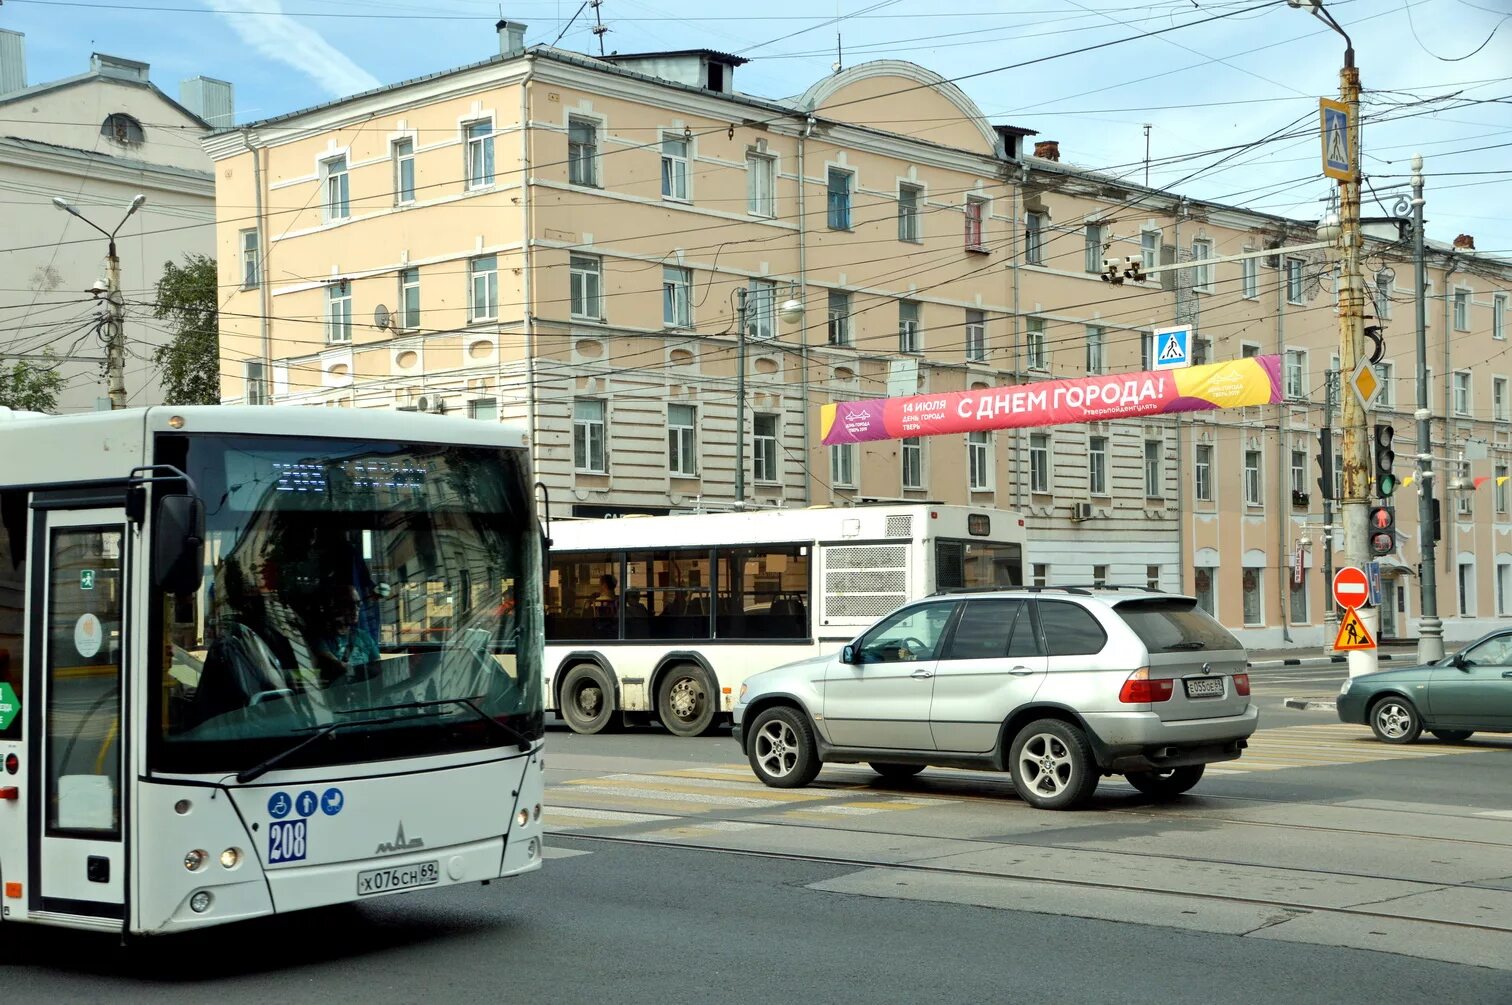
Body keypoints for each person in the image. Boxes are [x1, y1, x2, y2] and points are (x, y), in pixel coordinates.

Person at [310, 585, 381, 686]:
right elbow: (336, 665)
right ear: (335, 607)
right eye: (349, 604)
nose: (355, 609)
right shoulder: (322, 639)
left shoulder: (363, 636)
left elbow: (378, 668)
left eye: (358, 604)